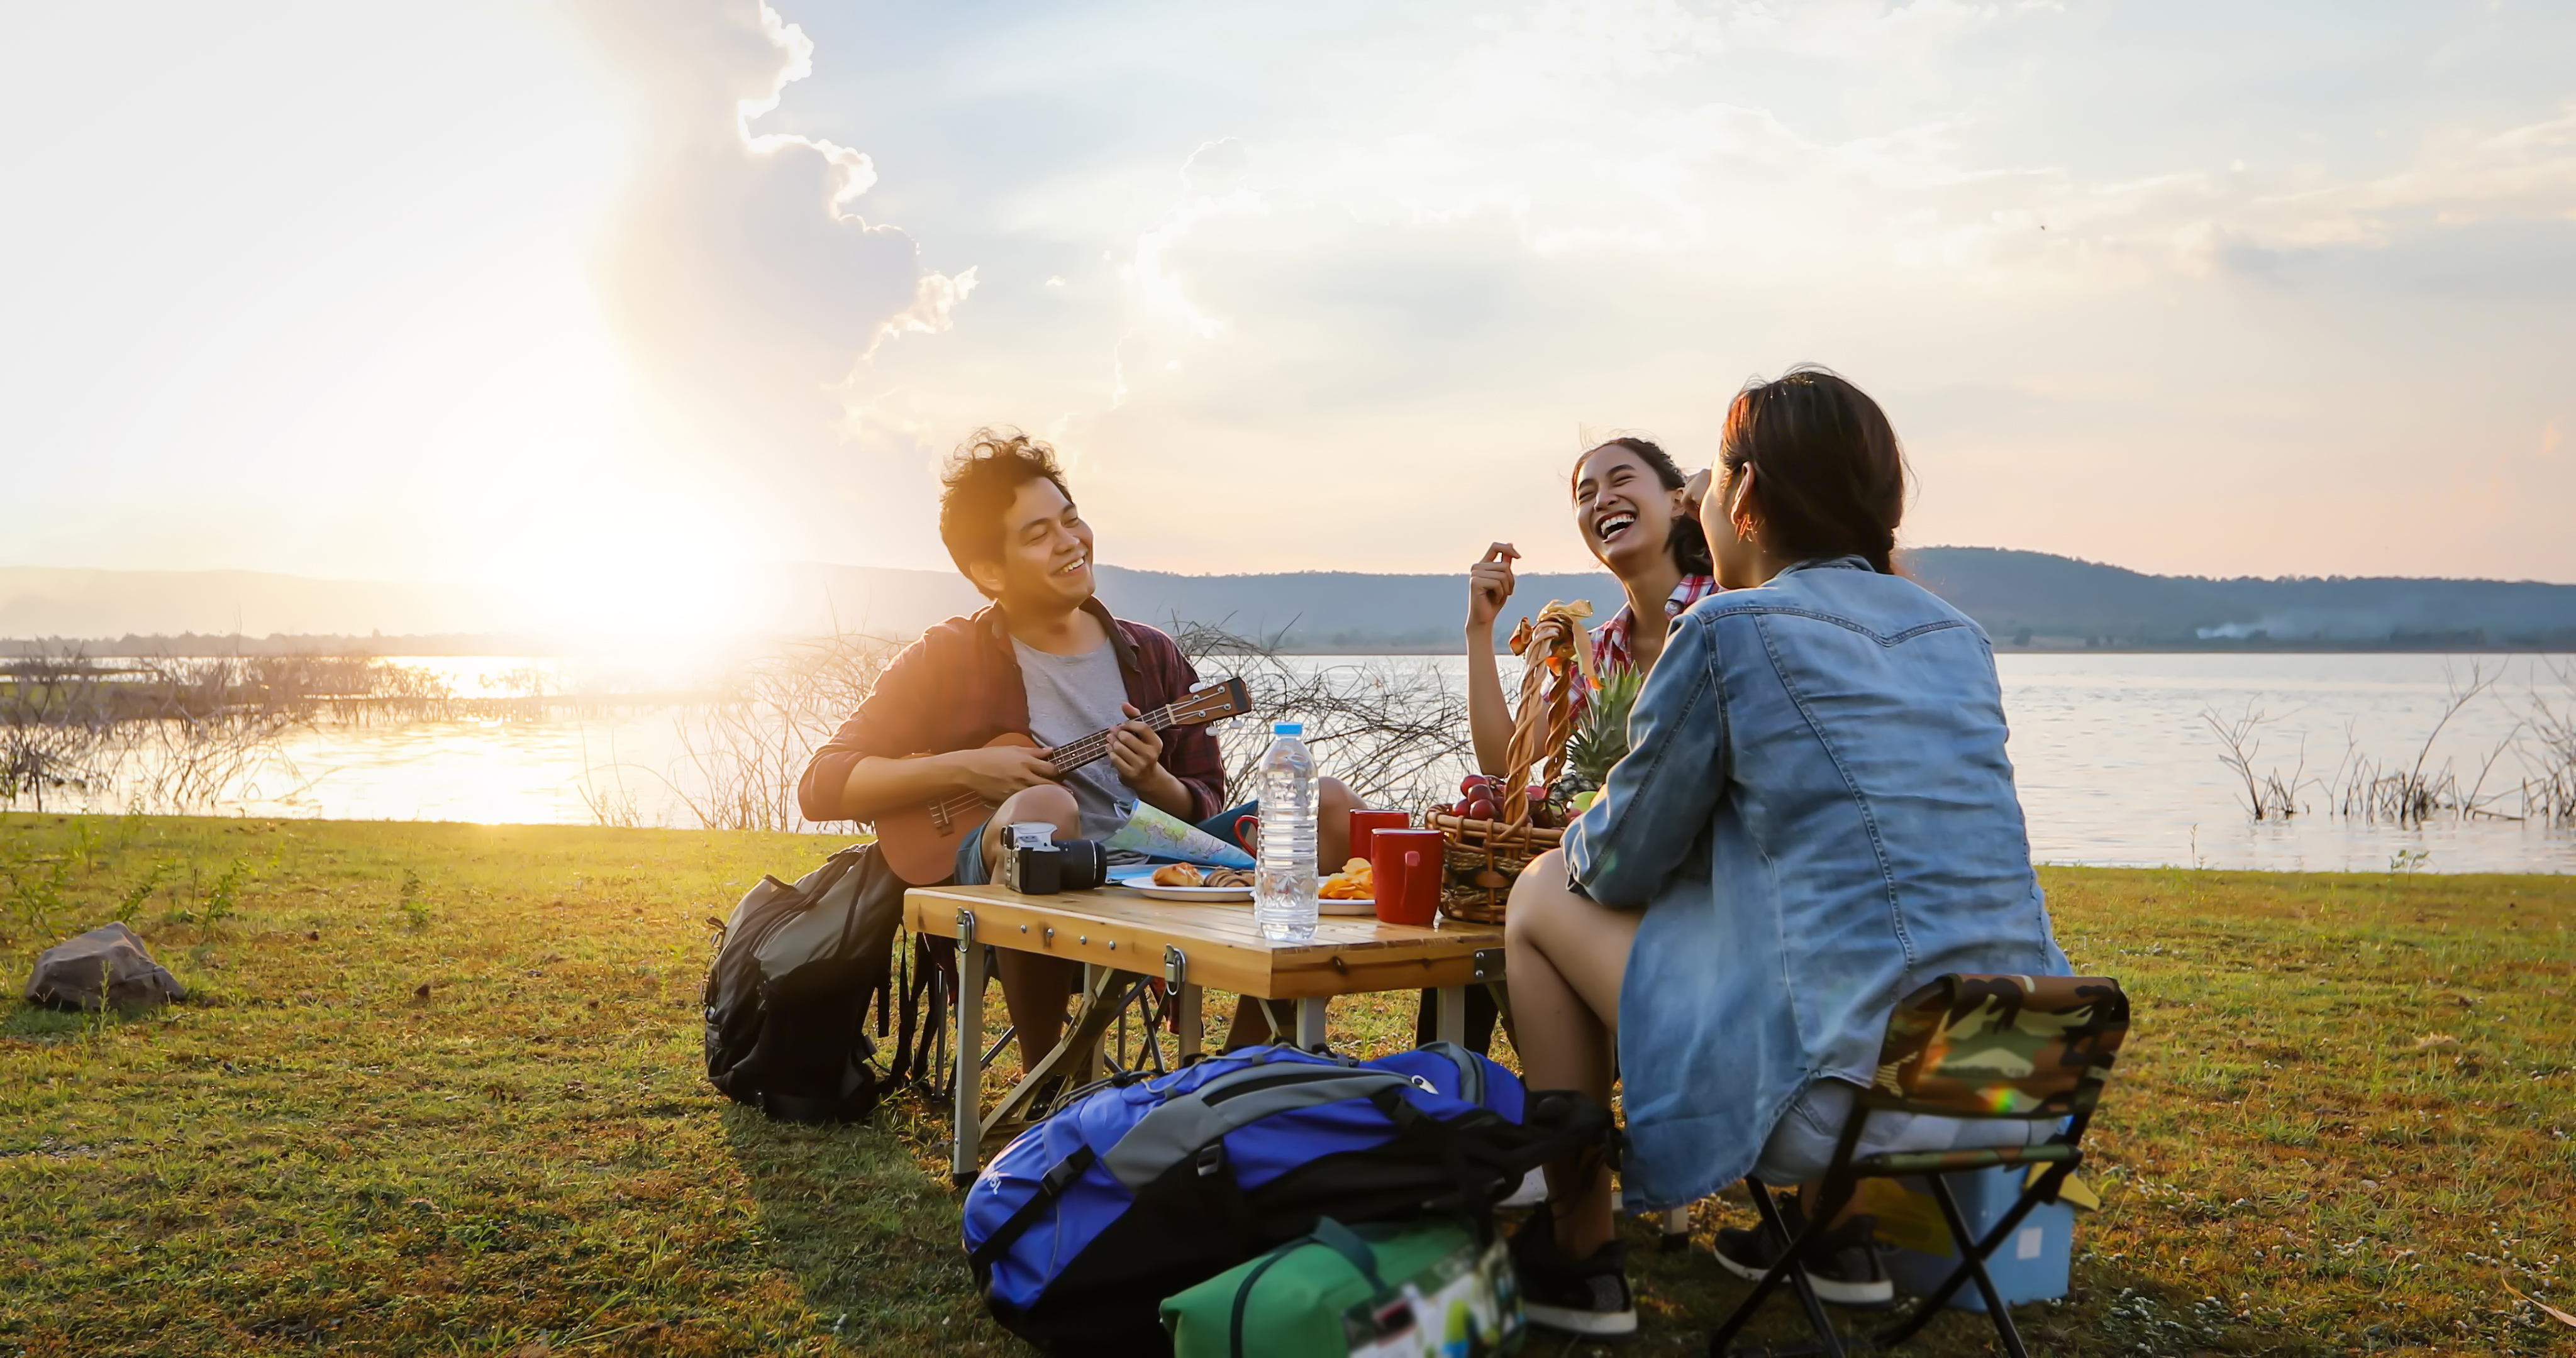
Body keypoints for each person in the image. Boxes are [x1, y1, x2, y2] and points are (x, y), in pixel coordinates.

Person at [1497, 370, 2072, 1337]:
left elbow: (1617, 866)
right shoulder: (1957, 636)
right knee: (1853, 947)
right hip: (2020, 1070)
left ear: (1749, 498)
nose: (1706, 508)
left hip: (1848, 1098)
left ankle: (1579, 1253)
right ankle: (1831, 1240)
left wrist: (1594, 812)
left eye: (1713, 489)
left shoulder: (1730, 627)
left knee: (1541, 892)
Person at [796, 429, 1359, 1074]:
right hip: (1011, 880)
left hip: (1151, 870)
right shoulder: (948, 656)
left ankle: (1239, 1070)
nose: (1069, 542)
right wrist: (968, 768)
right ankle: (1057, 1081)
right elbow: (822, 782)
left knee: (1331, 804)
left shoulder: (1151, 655)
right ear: (988, 571)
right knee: (1044, 807)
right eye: (1037, 535)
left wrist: (1154, 782)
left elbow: (1204, 798)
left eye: (1070, 520)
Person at [1464, 436, 1719, 776]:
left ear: (1677, 500)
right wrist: (1479, 630)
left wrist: (1721, 500)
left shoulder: (1737, 600)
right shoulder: (1595, 654)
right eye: (1586, 495)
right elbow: (1502, 763)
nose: (1602, 500)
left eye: (1622, 479)